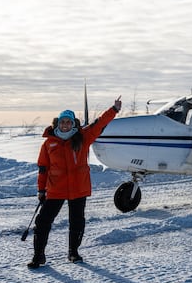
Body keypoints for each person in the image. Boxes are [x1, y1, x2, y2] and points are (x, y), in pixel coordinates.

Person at [27, 97, 122, 269]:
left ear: (73, 124)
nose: (65, 125)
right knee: (42, 222)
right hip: (55, 189)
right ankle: (38, 255)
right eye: (62, 122)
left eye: (68, 122)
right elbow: (43, 168)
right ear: (57, 124)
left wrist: (114, 109)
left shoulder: (83, 137)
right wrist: (41, 190)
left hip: (79, 188)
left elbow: (98, 124)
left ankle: (73, 252)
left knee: (77, 221)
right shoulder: (49, 143)